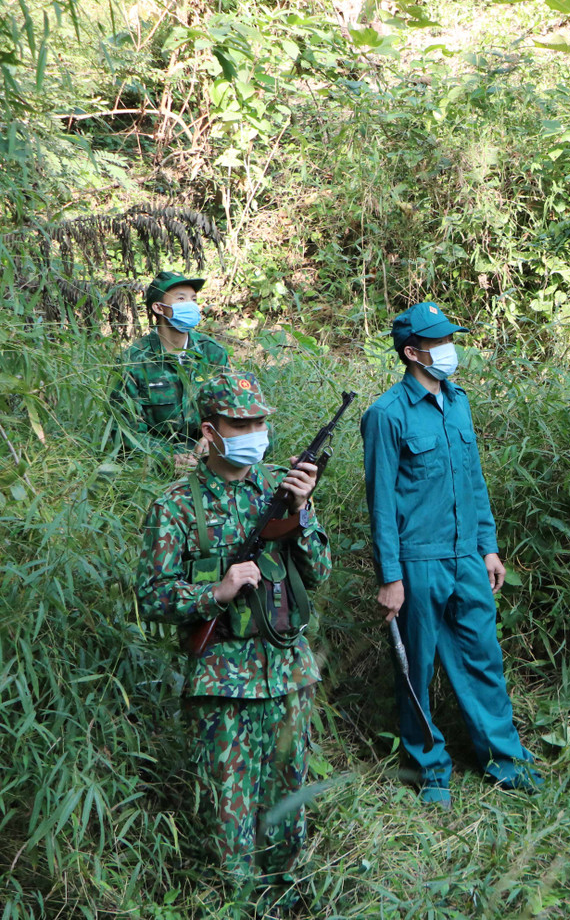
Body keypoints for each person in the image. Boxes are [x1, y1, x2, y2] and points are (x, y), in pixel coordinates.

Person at [136, 371, 329, 907]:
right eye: (240, 424)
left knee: (289, 796)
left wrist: (301, 512)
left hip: (287, 670)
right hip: (223, 680)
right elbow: (150, 597)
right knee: (229, 806)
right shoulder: (176, 506)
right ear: (210, 431)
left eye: (260, 423)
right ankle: (235, 902)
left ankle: (288, 899)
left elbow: (319, 573)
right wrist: (215, 593)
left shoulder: (280, 491)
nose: (254, 433)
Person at [360, 301, 540, 805]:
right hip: (417, 561)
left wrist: (488, 547)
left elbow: (473, 481)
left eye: (449, 340)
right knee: (416, 669)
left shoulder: (458, 402)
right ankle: (430, 770)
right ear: (412, 352)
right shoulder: (386, 415)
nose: (448, 350)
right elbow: (381, 503)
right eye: (437, 342)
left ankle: (504, 761)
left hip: (466, 558)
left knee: (483, 660)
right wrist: (390, 576)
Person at [114, 270, 230, 469]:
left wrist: (214, 438)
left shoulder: (212, 352)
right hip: (157, 452)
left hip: (208, 448)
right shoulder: (133, 359)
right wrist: (166, 457)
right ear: (159, 308)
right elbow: (125, 429)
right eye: (181, 299)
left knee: (263, 431)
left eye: (194, 299)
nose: (191, 305)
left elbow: (232, 408)